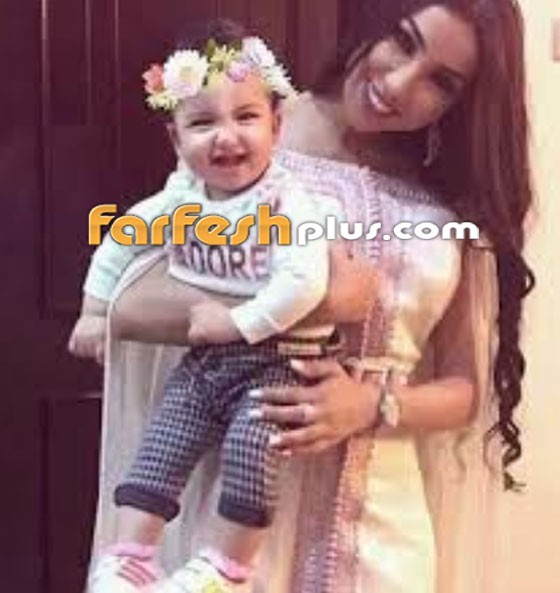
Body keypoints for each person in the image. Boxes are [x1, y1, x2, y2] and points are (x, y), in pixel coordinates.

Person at [86, 2, 534, 592]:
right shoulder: (247, 133)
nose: (399, 83)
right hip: (237, 514)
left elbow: (463, 390)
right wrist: (314, 301)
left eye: (441, 83)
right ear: (373, 20)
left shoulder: (450, 198)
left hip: (382, 527)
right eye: (402, 41)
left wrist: (371, 405)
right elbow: (129, 306)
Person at [69, 25, 348, 593]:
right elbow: (120, 241)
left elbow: (305, 282)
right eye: (202, 123)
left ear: (277, 125)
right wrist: (94, 311)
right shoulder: (180, 201)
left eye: (246, 117)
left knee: (253, 452)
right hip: (204, 365)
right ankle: (129, 559)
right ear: (176, 139)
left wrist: (235, 322)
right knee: (162, 443)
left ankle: (224, 567)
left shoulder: (289, 204)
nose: (226, 137)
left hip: (278, 362)